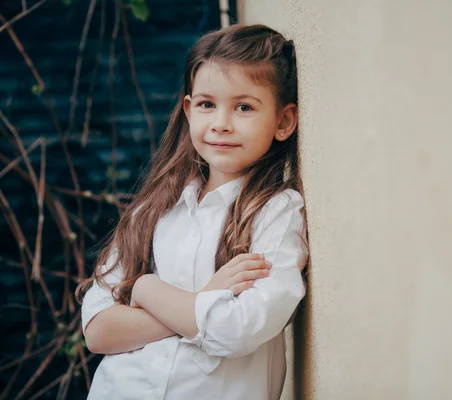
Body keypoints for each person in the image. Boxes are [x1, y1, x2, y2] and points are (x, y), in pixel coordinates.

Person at [75, 24, 309, 400]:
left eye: (244, 107)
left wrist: (146, 288)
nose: (220, 123)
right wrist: (204, 298)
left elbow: (236, 331)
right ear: (188, 110)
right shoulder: (153, 211)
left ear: (283, 122)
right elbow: (99, 331)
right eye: (206, 104)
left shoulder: (275, 212)